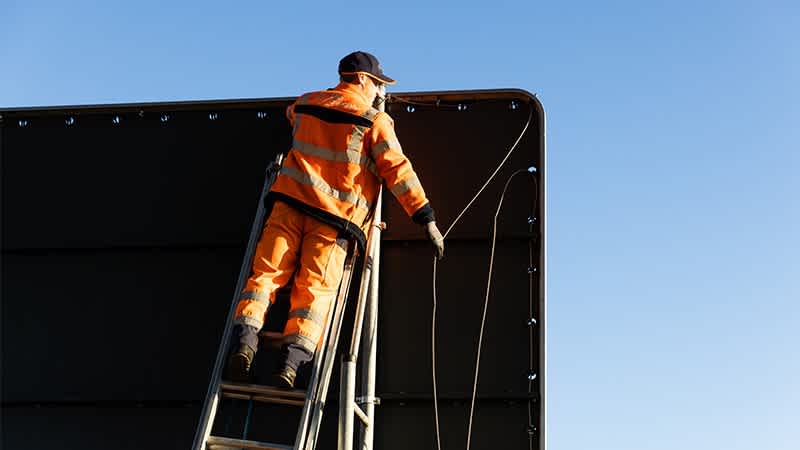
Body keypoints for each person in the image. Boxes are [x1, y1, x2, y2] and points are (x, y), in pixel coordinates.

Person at [225, 51, 445, 388]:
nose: (378, 92)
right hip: (333, 222)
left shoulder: (305, 104)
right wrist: (425, 217)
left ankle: (245, 342)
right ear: (360, 79)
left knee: (265, 277)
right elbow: (399, 172)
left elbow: (293, 114)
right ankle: (292, 363)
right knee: (314, 292)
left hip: (287, 207)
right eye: (375, 84)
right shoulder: (374, 121)